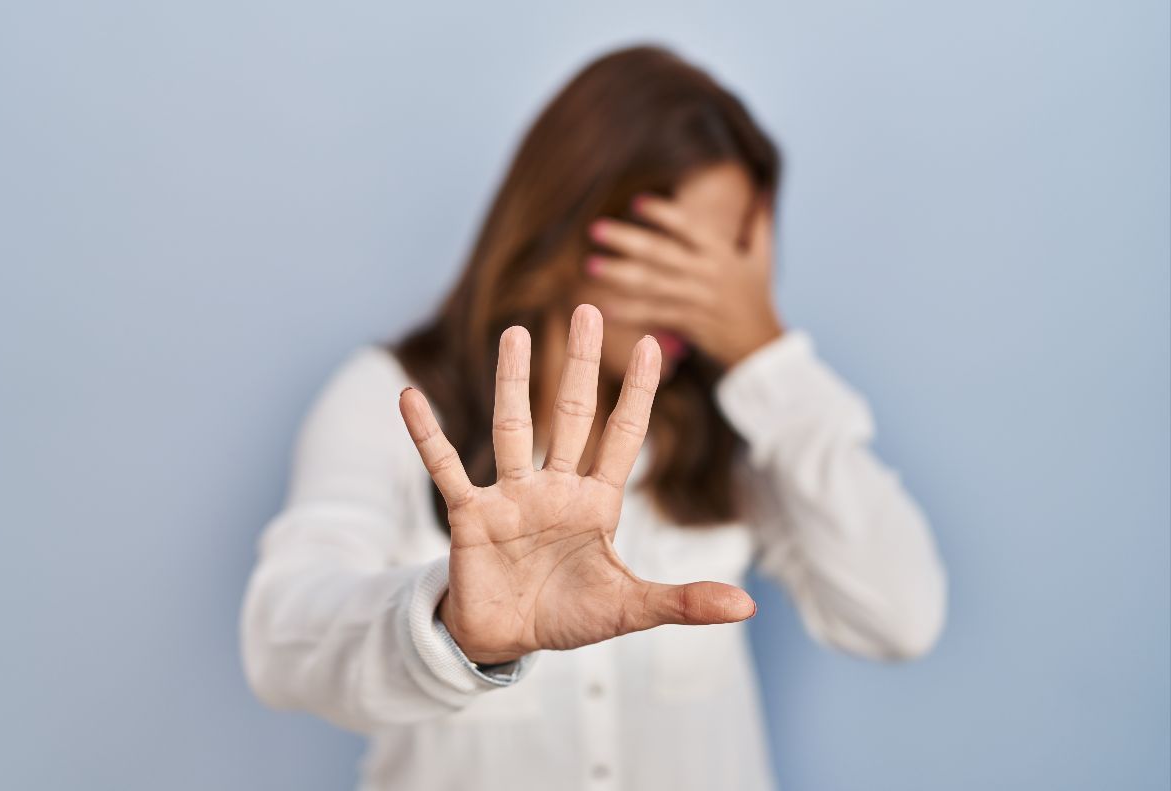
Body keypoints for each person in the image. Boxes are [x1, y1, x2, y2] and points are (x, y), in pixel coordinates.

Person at [239, 44, 947, 791]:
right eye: (682, 256)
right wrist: (451, 625)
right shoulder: (390, 398)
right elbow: (281, 638)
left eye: (732, 265)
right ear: (577, 220)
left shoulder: (736, 427)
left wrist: (766, 355)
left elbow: (900, 616)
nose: (706, 300)